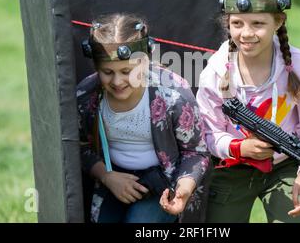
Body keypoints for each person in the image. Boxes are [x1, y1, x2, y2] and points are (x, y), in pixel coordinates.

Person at [196, 0, 300, 223]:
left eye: (257, 23)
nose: (246, 33)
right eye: (237, 24)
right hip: (231, 168)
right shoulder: (214, 72)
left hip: (284, 166)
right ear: (228, 23)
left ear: (278, 21)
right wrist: (239, 147)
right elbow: (208, 133)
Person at [77, 13, 211, 223]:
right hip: (112, 177)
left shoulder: (173, 94)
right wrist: (106, 176)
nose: (118, 81)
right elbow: (79, 144)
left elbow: (195, 152)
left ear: (145, 61)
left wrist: (183, 190)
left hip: (163, 181)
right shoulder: (87, 95)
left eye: (127, 71)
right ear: (96, 67)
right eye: (107, 72)